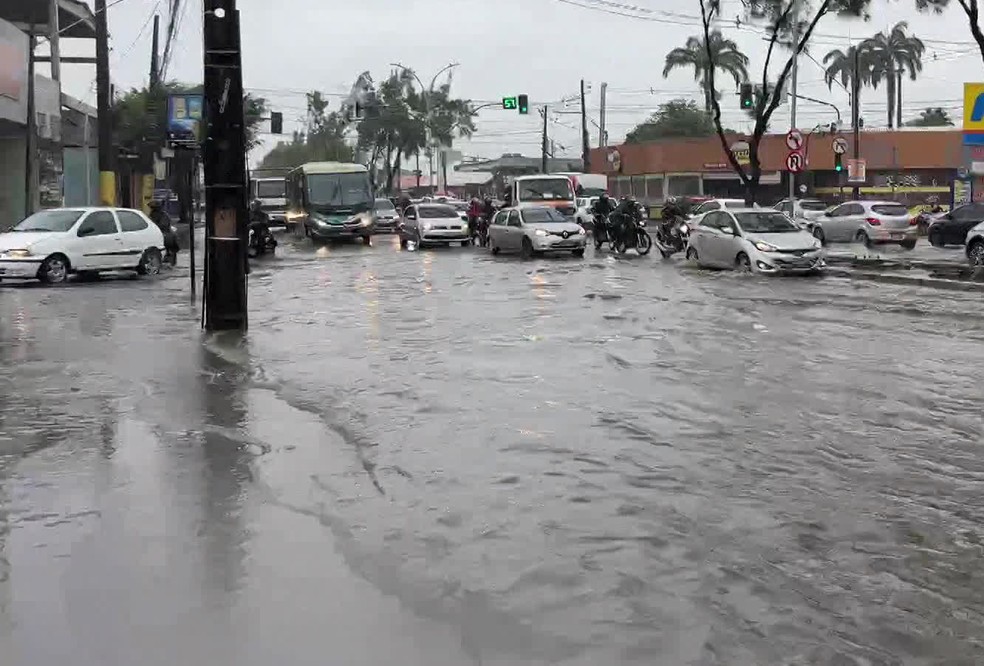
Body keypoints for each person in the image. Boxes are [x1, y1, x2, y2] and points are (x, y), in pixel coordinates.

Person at [149, 200, 178, 265]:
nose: (152, 209)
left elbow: (163, 225)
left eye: (154, 208)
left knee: (169, 249)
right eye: (152, 208)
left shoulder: (163, 215)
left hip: (166, 235)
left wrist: (154, 226)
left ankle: (170, 260)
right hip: (158, 234)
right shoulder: (152, 214)